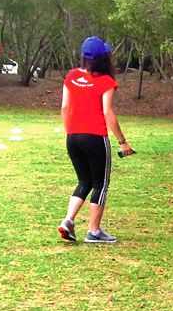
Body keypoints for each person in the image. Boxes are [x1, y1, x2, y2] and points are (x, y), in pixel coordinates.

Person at [57, 36, 134, 244]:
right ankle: (94, 231)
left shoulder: (71, 76)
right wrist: (122, 141)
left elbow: (64, 107)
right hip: (95, 137)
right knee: (100, 183)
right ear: (103, 59)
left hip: (72, 137)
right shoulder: (105, 81)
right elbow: (108, 113)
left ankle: (68, 221)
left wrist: (69, 131)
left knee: (84, 180)